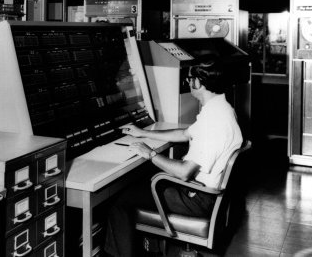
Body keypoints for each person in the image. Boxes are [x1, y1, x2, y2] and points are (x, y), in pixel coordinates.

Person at [104, 60, 243, 257]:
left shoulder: (214, 120)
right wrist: (143, 133)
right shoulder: (221, 108)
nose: (188, 83)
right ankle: (150, 250)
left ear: (198, 83)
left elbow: (185, 172)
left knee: (121, 201)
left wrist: (151, 153)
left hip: (197, 198)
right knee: (143, 182)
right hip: (203, 193)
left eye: (189, 79)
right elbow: (185, 134)